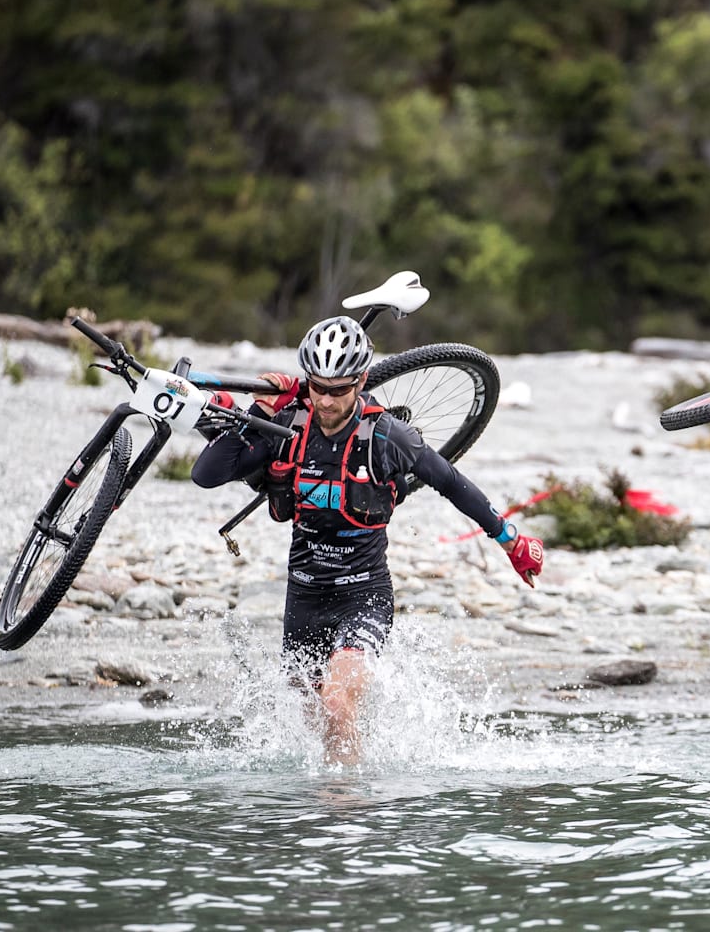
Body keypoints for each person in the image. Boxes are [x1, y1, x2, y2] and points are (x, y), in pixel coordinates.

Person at [192, 315, 544, 765]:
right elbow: (207, 474)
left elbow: (452, 482)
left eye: (339, 389)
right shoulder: (290, 426)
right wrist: (261, 409)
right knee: (310, 718)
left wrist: (510, 541)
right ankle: (330, 809)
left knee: (337, 702)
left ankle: (349, 824)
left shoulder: (386, 437)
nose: (326, 400)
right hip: (303, 593)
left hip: (364, 593)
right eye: (318, 386)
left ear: (360, 380)